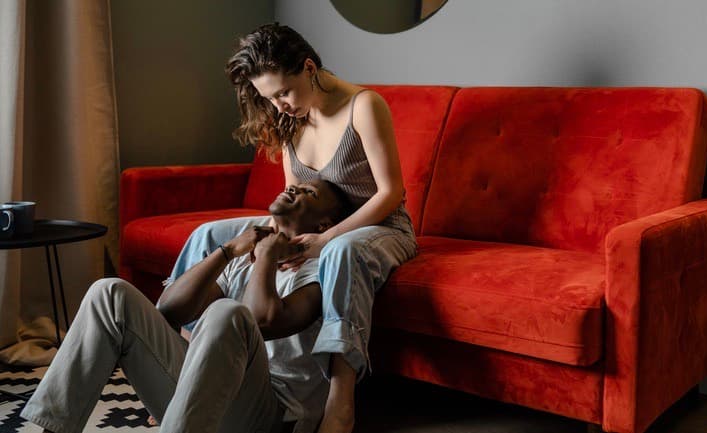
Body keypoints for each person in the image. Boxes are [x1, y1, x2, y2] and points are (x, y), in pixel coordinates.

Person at [168, 23, 418, 433]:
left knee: (342, 251)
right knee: (210, 235)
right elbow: (291, 194)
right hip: (317, 224)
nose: (279, 105)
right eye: (269, 97)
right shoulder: (291, 119)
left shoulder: (363, 106)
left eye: (283, 92)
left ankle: (341, 402)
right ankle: (188, 365)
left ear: (308, 67)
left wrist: (326, 239)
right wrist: (270, 237)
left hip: (380, 227)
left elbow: (390, 193)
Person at [21, 180, 354, 433]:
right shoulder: (243, 260)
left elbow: (261, 320)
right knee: (109, 292)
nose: (294, 188)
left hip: (270, 413)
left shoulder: (320, 269)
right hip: (199, 404)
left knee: (227, 313)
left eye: (308, 193)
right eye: (295, 185)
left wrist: (267, 256)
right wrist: (228, 250)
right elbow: (169, 311)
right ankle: (54, 428)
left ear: (324, 225)